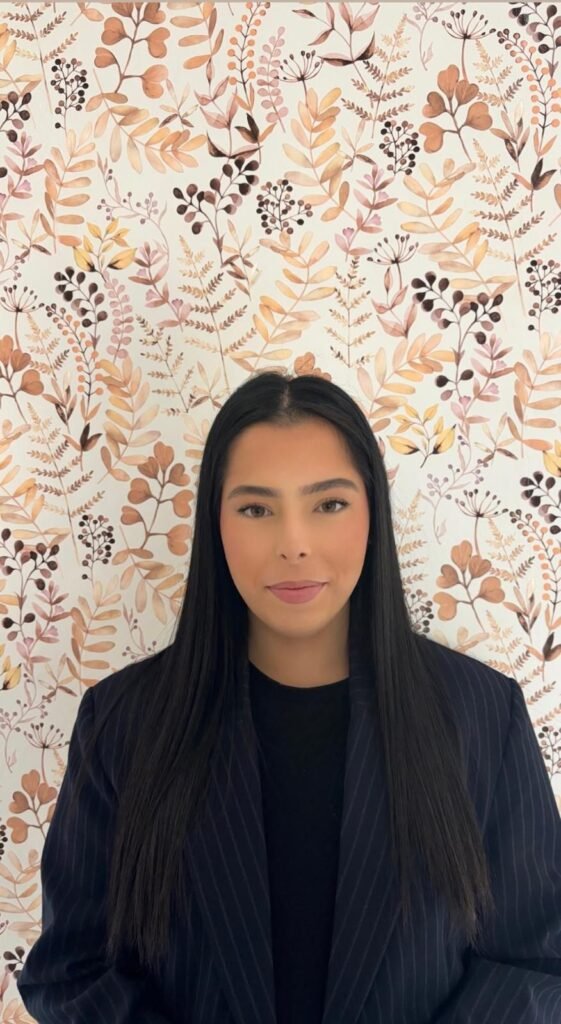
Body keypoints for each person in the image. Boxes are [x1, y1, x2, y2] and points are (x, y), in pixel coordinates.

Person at [17, 370, 561, 1023]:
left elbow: (536, 962)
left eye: (328, 504)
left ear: (372, 514)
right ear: (216, 524)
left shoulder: (484, 717)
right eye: (256, 509)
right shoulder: (122, 723)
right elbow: (71, 973)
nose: (294, 544)